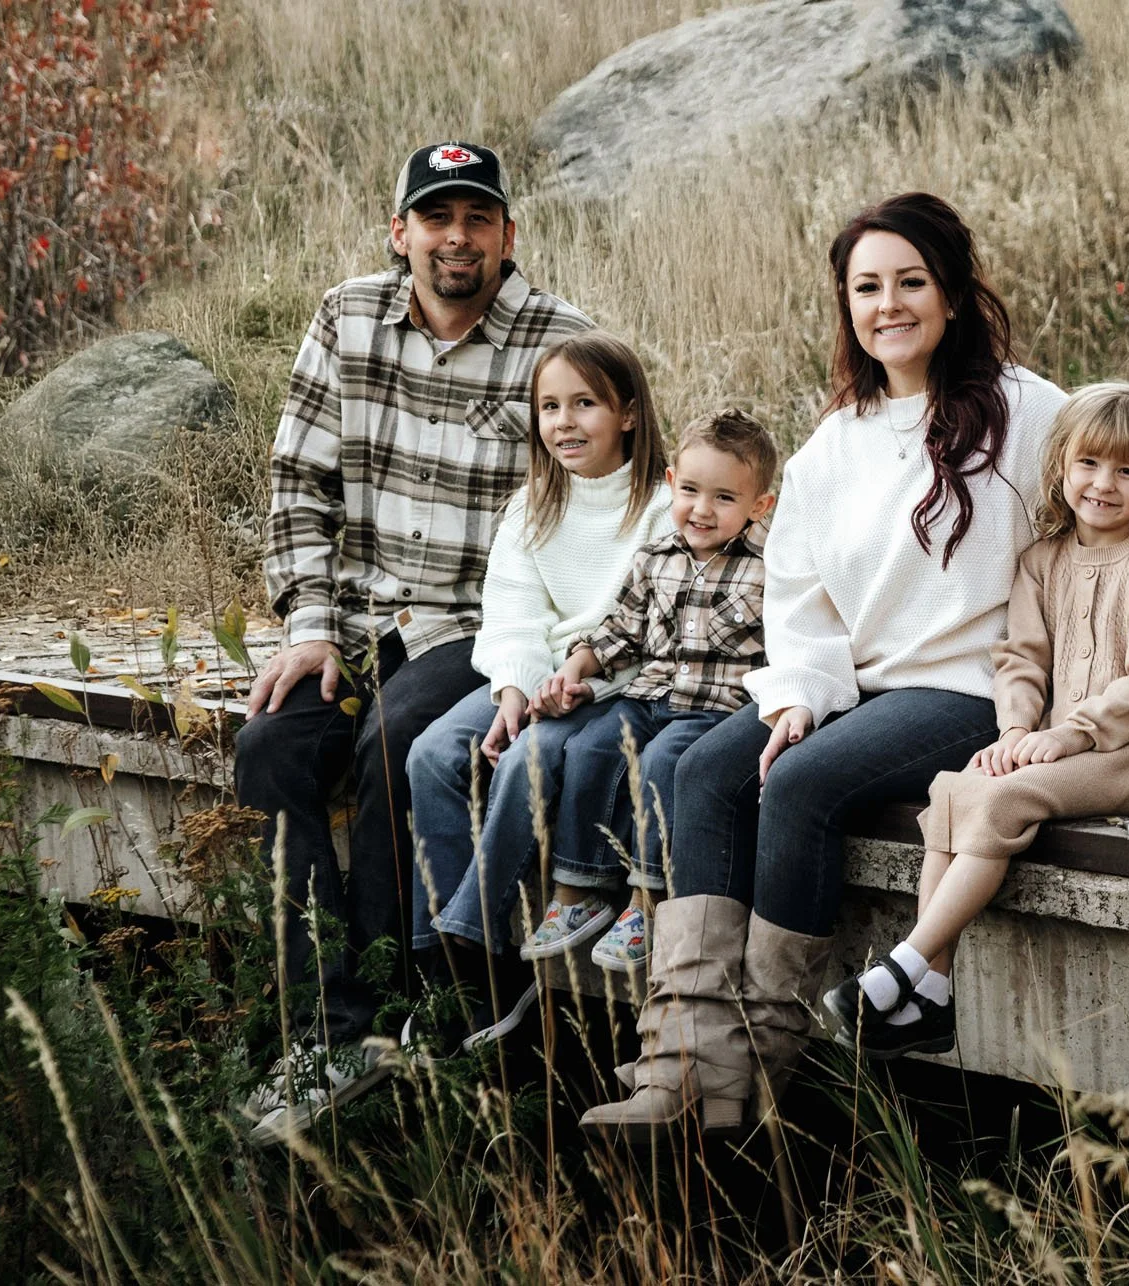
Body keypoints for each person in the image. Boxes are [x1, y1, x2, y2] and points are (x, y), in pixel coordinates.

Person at [580, 192, 1129, 1140]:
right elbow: (801, 602)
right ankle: (685, 1067)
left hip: (977, 692)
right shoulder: (829, 448)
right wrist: (803, 697)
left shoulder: (1028, 411)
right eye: (865, 287)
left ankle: (758, 1064)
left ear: (951, 293)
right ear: (846, 306)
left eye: (909, 282)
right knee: (707, 770)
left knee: (803, 789)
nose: (887, 304)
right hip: (865, 689)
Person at [237, 141, 592, 1141]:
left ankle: (397, 1014)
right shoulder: (347, 317)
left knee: (393, 744)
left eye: (479, 218)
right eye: (437, 218)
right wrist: (311, 628)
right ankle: (326, 1029)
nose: (458, 238)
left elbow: (601, 502)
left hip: (481, 626)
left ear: (507, 234)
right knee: (272, 744)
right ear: (402, 233)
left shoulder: (558, 344)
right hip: (358, 618)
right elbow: (298, 486)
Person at [821, 383, 1129, 1056]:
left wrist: (1068, 734)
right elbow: (1020, 660)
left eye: (1127, 471)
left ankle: (906, 964)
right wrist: (1016, 732)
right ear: (1061, 467)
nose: (1103, 485)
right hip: (1054, 742)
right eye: (1089, 464)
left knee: (1005, 799)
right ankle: (932, 990)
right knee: (954, 788)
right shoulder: (1042, 561)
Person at [403, 331, 671, 1056]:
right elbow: (514, 612)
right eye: (549, 406)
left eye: (585, 403)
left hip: (613, 682)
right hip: (538, 676)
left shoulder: (663, 508)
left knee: (529, 758)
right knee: (432, 753)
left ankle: (477, 954)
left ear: (630, 413)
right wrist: (516, 690)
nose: (564, 422)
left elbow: (655, 626)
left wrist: (576, 685)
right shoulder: (532, 506)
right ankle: (443, 965)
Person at [531, 408, 779, 972]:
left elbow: (785, 646)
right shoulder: (655, 557)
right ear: (671, 483)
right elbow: (618, 630)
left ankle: (646, 899)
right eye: (690, 490)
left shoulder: (769, 567)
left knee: (666, 760)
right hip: (650, 696)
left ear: (759, 506)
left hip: (715, 710)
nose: (701, 509)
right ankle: (579, 890)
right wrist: (576, 667)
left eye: (724, 498)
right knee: (592, 746)